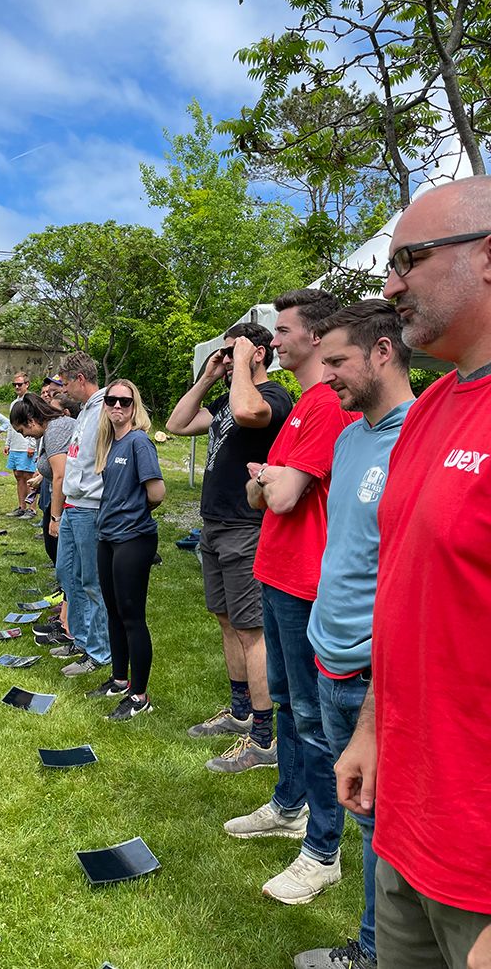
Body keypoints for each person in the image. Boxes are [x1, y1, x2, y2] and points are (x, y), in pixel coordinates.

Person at [335, 178, 491, 969]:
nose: (390, 284)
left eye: (411, 259)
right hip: (405, 825)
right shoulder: (430, 410)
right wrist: (369, 729)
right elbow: (406, 597)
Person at [224, 288, 357, 906]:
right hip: (276, 571)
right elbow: (263, 493)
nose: (271, 340)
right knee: (283, 701)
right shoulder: (303, 406)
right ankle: (286, 804)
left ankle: (321, 848)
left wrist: (274, 483)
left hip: (305, 581)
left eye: (282, 330)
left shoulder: (327, 404)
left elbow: (276, 497)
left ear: (314, 336)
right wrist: (273, 482)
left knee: (312, 716)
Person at [292, 301, 414, 969]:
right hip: (327, 653)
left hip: (375, 672)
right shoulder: (346, 437)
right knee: (366, 818)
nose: (326, 373)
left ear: (383, 352)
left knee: (384, 824)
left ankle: (374, 951)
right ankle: (370, 942)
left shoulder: (414, 436)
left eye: (337, 360)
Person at [166, 323, 293, 771]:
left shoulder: (273, 397)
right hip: (214, 525)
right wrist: (207, 377)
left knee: (250, 630)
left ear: (257, 352)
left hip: (246, 526)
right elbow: (177, 423)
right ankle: (240, 713)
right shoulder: (225, 398)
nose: (224, 359)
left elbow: (246, 415)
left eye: (232, 351)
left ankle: (263, 738)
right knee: (225, 620)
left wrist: (241, 363)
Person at [86, 379, 165, 720]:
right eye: (112, 401)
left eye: (125, 402)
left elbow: (157, 492)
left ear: (135, 407)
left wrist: (132, 514)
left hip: (133, 539)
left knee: (132, 617)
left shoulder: (139, 443)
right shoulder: (110, 443)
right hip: (108, 538)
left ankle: (139, 696)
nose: (117, 406)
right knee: (113, 611)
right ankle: (119, 680)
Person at [53, 351, 111, 677]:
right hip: (74, 506)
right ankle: (79, 638)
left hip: (91, 508)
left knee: (92, 582)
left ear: (79, 379)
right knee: (67, 574)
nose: (63, 390)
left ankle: (99, 652)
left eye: (65, 383)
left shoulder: (105, 408)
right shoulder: (85, 411)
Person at [10, 393, 75, 568]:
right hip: (64, 498)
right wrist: (41, 478)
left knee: (63, 548)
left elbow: (60, 475)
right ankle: (64, 585)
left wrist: (56, 518)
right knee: (53, 544)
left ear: (31, 421)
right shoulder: (49, 430)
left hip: (72, 502)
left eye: (22, 431)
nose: (24, 436)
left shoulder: (55, 430)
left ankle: (67, 590)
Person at [4, 372, 38, 518]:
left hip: (27, 444)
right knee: (18, 475)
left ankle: (32, 508)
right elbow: (11, 426)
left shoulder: (30, 402)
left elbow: (33, 424)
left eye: (20, 384)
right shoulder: (13, 403)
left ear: (27, 384)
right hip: (16, 446)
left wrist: (32, 445)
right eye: (15, 385)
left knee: (29, 477)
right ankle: (21, 506)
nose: (17, 387)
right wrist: (8, 443)